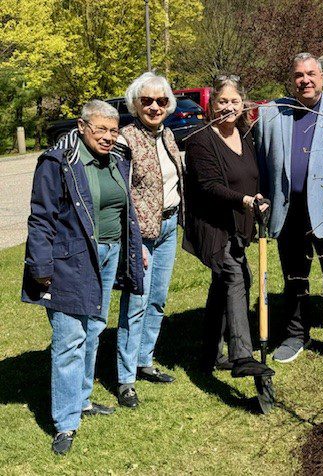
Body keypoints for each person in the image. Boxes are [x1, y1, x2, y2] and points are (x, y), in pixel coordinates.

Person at [21, 100, 144, 454]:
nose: (108, 136)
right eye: (100, 129)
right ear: (81, 126)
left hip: (109, 255)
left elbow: (124, 211)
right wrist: (40, 268)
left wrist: (136, 247)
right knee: (69, 340)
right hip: (70, 261)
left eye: (113, 129)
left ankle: (83, 400)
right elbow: (41, 217)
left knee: (94, 329)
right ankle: (65, 422)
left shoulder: (118, 159)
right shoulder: (58, 163)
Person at [254, 52, 323, 371]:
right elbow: (261, 161)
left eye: (311, 74)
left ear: (322, 77)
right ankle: (295, 336)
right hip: (288, 213)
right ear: (292, 80)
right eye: (298, 75)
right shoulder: (272, 114)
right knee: (294, 279)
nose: (305, 80)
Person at [183, 76, 274, 378]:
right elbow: (209, 186)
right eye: (223, 101)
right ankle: (242, 355)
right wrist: (246, 200)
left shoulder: (246, 135)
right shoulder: (200, 139)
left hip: (239, 227)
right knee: (237, 277)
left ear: (242, 105)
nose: (229, 107)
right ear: (211, 105)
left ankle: (209, 352)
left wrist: (257, 198)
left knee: (222, 285)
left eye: (234, 101)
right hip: (213, 226)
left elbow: (253, 177)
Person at [116, 72, 184, 409]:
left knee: (157, 299)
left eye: (161, 101)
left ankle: (145, 360)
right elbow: (122, 195)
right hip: (140, 235)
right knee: (136, 305)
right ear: (135, 104)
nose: (154, 106)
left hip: (169, 226)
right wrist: (132, 241)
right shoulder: (126, 139)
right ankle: (125, 379)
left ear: (169, 104)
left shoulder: (168, 136)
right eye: (147, 101)